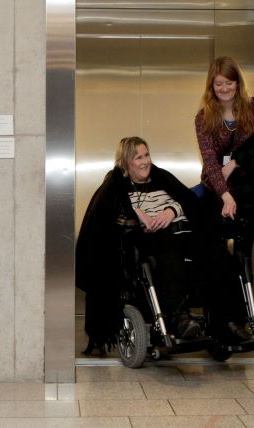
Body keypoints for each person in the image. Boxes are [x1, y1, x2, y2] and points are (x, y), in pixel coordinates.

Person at [76, 136, 202, 355]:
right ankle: (179, 318)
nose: (145, 161)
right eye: (138, 157)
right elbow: (105, 212)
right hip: (145, 243)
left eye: (147, 155)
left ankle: (225, 322)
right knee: (166, 254)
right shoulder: (116, 185)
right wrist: (136, 213)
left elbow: (187, 199)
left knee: (215, 255)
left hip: (181, 236)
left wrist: (171, 210)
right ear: (126, 162)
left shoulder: (161, 177)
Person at [194, 56, 254, 345]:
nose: (224, 88)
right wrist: (224, 195)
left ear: (238, 82)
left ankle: (241, 323)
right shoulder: (204, 117)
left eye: (229, 82)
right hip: (215, 191)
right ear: (212, 86)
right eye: (218, 83)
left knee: (242, 255)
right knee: (216, 256)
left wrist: (236, 161)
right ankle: (222, 321)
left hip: (249, 193)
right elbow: (210, 162)